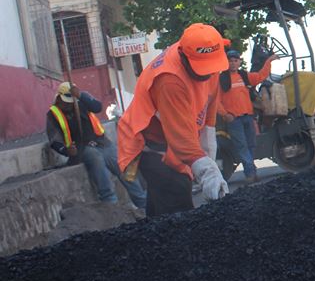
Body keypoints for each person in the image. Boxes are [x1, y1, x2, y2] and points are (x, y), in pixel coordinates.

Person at [118, 23, 231, 217]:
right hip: (152, 145)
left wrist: (209, 153)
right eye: (203, 68)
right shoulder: (169, 80)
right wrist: (206, 171)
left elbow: (210, 105)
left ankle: (152, 241)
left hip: (177, 141)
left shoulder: (209, 62)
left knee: (162, 208)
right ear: (185, 56)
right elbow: (180, 139)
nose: (208, 73)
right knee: (177, 196)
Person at [46, 82, 147, 209]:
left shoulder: (81, 102)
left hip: (102, 143)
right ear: (59, 98)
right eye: (66, 101)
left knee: (125, 168)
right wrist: (66, 151)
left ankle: (143, 203)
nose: (69, 104)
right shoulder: (53, 114)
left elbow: (97, 107)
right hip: (83, 148)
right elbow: (54, 140)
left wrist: (81, 95)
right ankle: (111, 204)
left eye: (71, 100)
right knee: (98, 166)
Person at [219, 48, 276, 182]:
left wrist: (269, 61)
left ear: (239, 62)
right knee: (242, 146)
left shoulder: (244, 76)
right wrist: (225, 114)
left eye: (235, 60)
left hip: (247, 117)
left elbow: (261, 76)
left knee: (250, 145)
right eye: (230, 61)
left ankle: (251, 171)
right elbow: (216, 101)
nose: (233, 63)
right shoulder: (221, 79)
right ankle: (250, 173)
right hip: (234, 119)